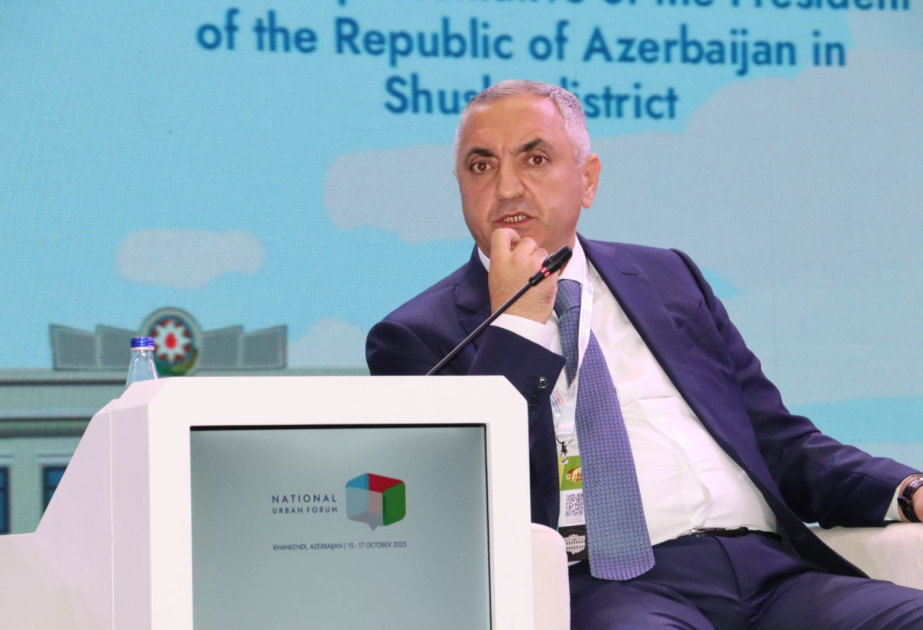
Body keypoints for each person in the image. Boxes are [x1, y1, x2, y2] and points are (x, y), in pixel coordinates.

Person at [366, 80, 923, 629]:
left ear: (587, 180)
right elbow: (461, 504)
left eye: (535, 159)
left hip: (771, 574)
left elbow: (778, 444)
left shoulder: (668, 277)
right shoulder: (416, 337)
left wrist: (907, 491)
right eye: (481, 165)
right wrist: (516, 324)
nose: (507, 187)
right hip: (610, 590)